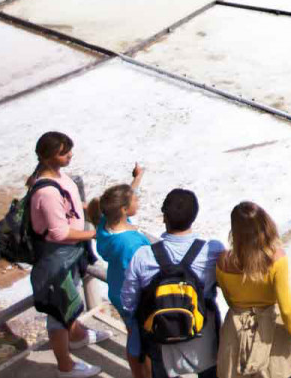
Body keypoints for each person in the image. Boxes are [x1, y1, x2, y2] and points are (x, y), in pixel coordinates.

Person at [28, 131, 112, 378]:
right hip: (57, 257)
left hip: (67, 254)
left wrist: (88, 209)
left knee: (70, 298)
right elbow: (57, 232)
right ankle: (65, 366)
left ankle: (77, 336)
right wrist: (93, 234)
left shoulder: (51, 176)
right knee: (58, 310)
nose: (70, 155)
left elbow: (68, 206)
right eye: (64, 152)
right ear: (49, 156)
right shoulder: (46, 192)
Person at [120, 189, 224, 378]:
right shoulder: (212, 250)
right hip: (203, 336)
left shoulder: (143, 256)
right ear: (194, 216)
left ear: (164, 217)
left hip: (161, 338)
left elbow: (128, 302)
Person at [215, 202, 291, 378]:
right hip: (269, 340)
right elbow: (287, 310)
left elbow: (230, 301)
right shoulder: (276, 259)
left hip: (235, 339)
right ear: (266, 224)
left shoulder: (223, 261)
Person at [85, 165, 150, 378]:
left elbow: (125, 198)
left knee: (133, 335)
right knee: (143, 342)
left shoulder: (106, 224)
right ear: (124, 209)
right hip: (134, 297)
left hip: (117, 289)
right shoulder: (129, 244)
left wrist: (137, 179)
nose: (137, 201)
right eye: (135, 201)